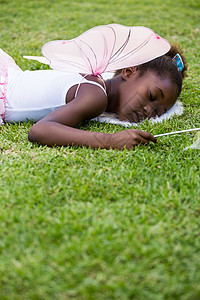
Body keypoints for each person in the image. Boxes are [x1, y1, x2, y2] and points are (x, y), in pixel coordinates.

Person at [0, 25, 187, 150]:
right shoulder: (95, 96)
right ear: (129, 71)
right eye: (152, 95)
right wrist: (111, 141)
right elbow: (39, 131)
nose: (148, 110)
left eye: (158, 112)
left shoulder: (100, 83)